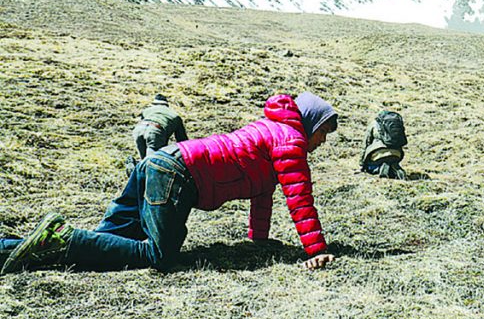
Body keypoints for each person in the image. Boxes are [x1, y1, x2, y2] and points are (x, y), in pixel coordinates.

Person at [1, 92, 339, 274]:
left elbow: (263, 193)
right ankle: (63, 239)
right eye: (323, 130)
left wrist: (258, 241)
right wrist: (317, 251)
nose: (323, 140)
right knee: (159, 255)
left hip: (160, 161)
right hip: (176, 173)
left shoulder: (269, 130)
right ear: (310, 124)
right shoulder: (289, 140)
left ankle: (9, 249)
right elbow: (299, 198)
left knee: (109, 242)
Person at [132, 94, 188, 160]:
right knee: (153, 161)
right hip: (155, 130)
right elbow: (182, 140)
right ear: (167, 105)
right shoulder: (175, 115)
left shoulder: (146, 110)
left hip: (138, 129)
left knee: (143, 161)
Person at [361, 110, 408, 180]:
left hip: (378, 155)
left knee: (370, 167)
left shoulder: (374, 123)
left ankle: (379, 168)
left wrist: (362, 164)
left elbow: (366, 143)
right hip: (396, 155)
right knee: (391, 160)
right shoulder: (397, 125)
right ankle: (394, 167)